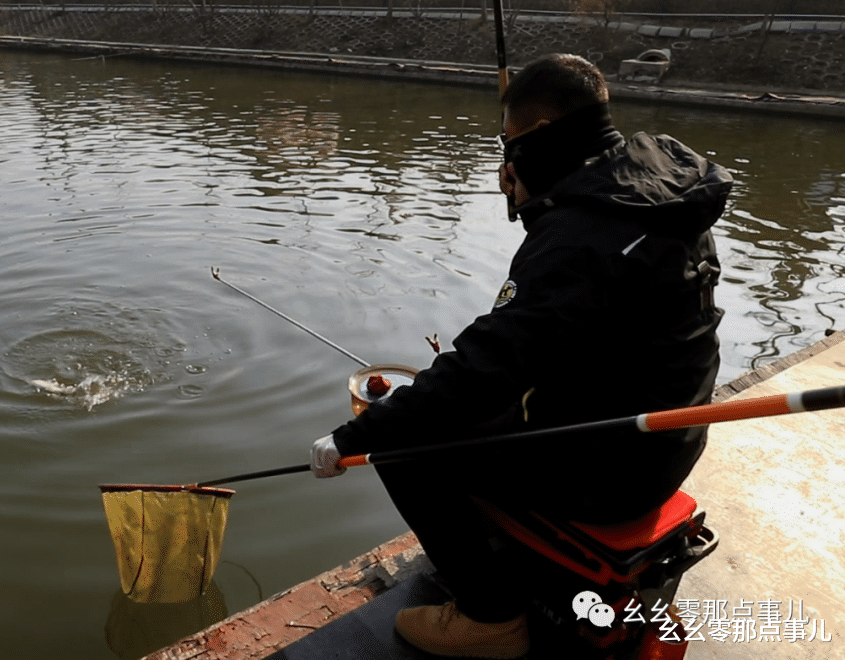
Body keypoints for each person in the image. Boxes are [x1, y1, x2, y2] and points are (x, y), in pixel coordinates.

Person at [310, 53, 733, 659]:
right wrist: (538, 201)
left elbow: (489, 366)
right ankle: (494, 544)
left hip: (614, 469)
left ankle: (489, 618)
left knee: (403, 445)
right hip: (666, 435)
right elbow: (568, 317)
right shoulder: (658, 186)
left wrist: (355, 436)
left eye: (508, 142)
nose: (506, 161)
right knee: (455, 410)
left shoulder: (580, 237)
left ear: (537, 134)